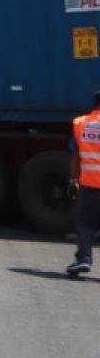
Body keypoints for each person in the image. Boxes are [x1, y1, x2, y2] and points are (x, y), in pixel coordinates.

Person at [66, 92, 100, 275]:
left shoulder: (82, 124)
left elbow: (75, 156)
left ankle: (84, 259)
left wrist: (73, 180)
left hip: (90, 184)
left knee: (85, 223)